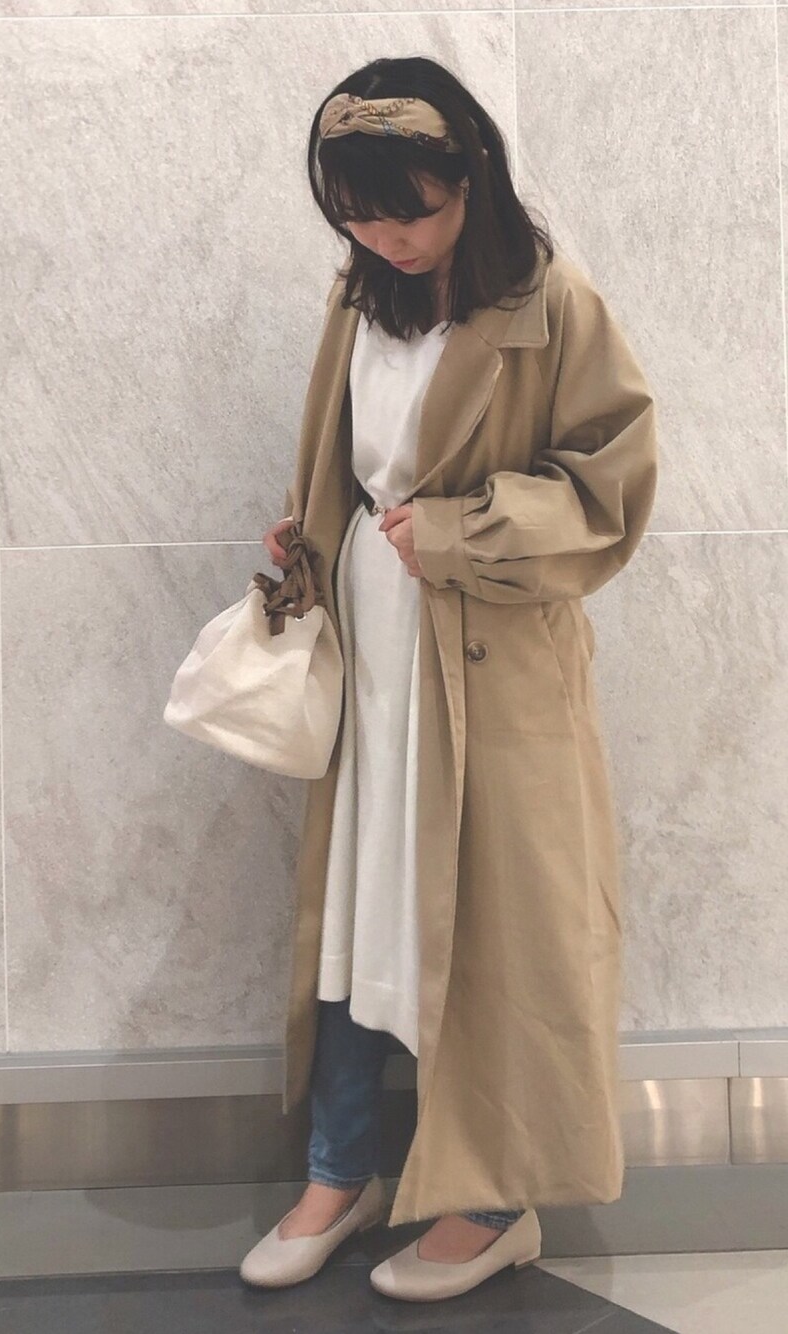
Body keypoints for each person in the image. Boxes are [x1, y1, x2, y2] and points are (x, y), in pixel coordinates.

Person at [240, 54, 657, 1304]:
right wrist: (309, 538)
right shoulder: (358, 292)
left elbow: (610, 488)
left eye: (408, 211)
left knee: (489, 933)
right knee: (360, 911)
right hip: (373, 650)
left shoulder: (549, 301)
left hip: (490, 669)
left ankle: (493, 1199)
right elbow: (349, 454)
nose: (387, 237)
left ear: (470, 178)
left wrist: (464, 532)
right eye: (356, 215)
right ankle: (343, 1167)